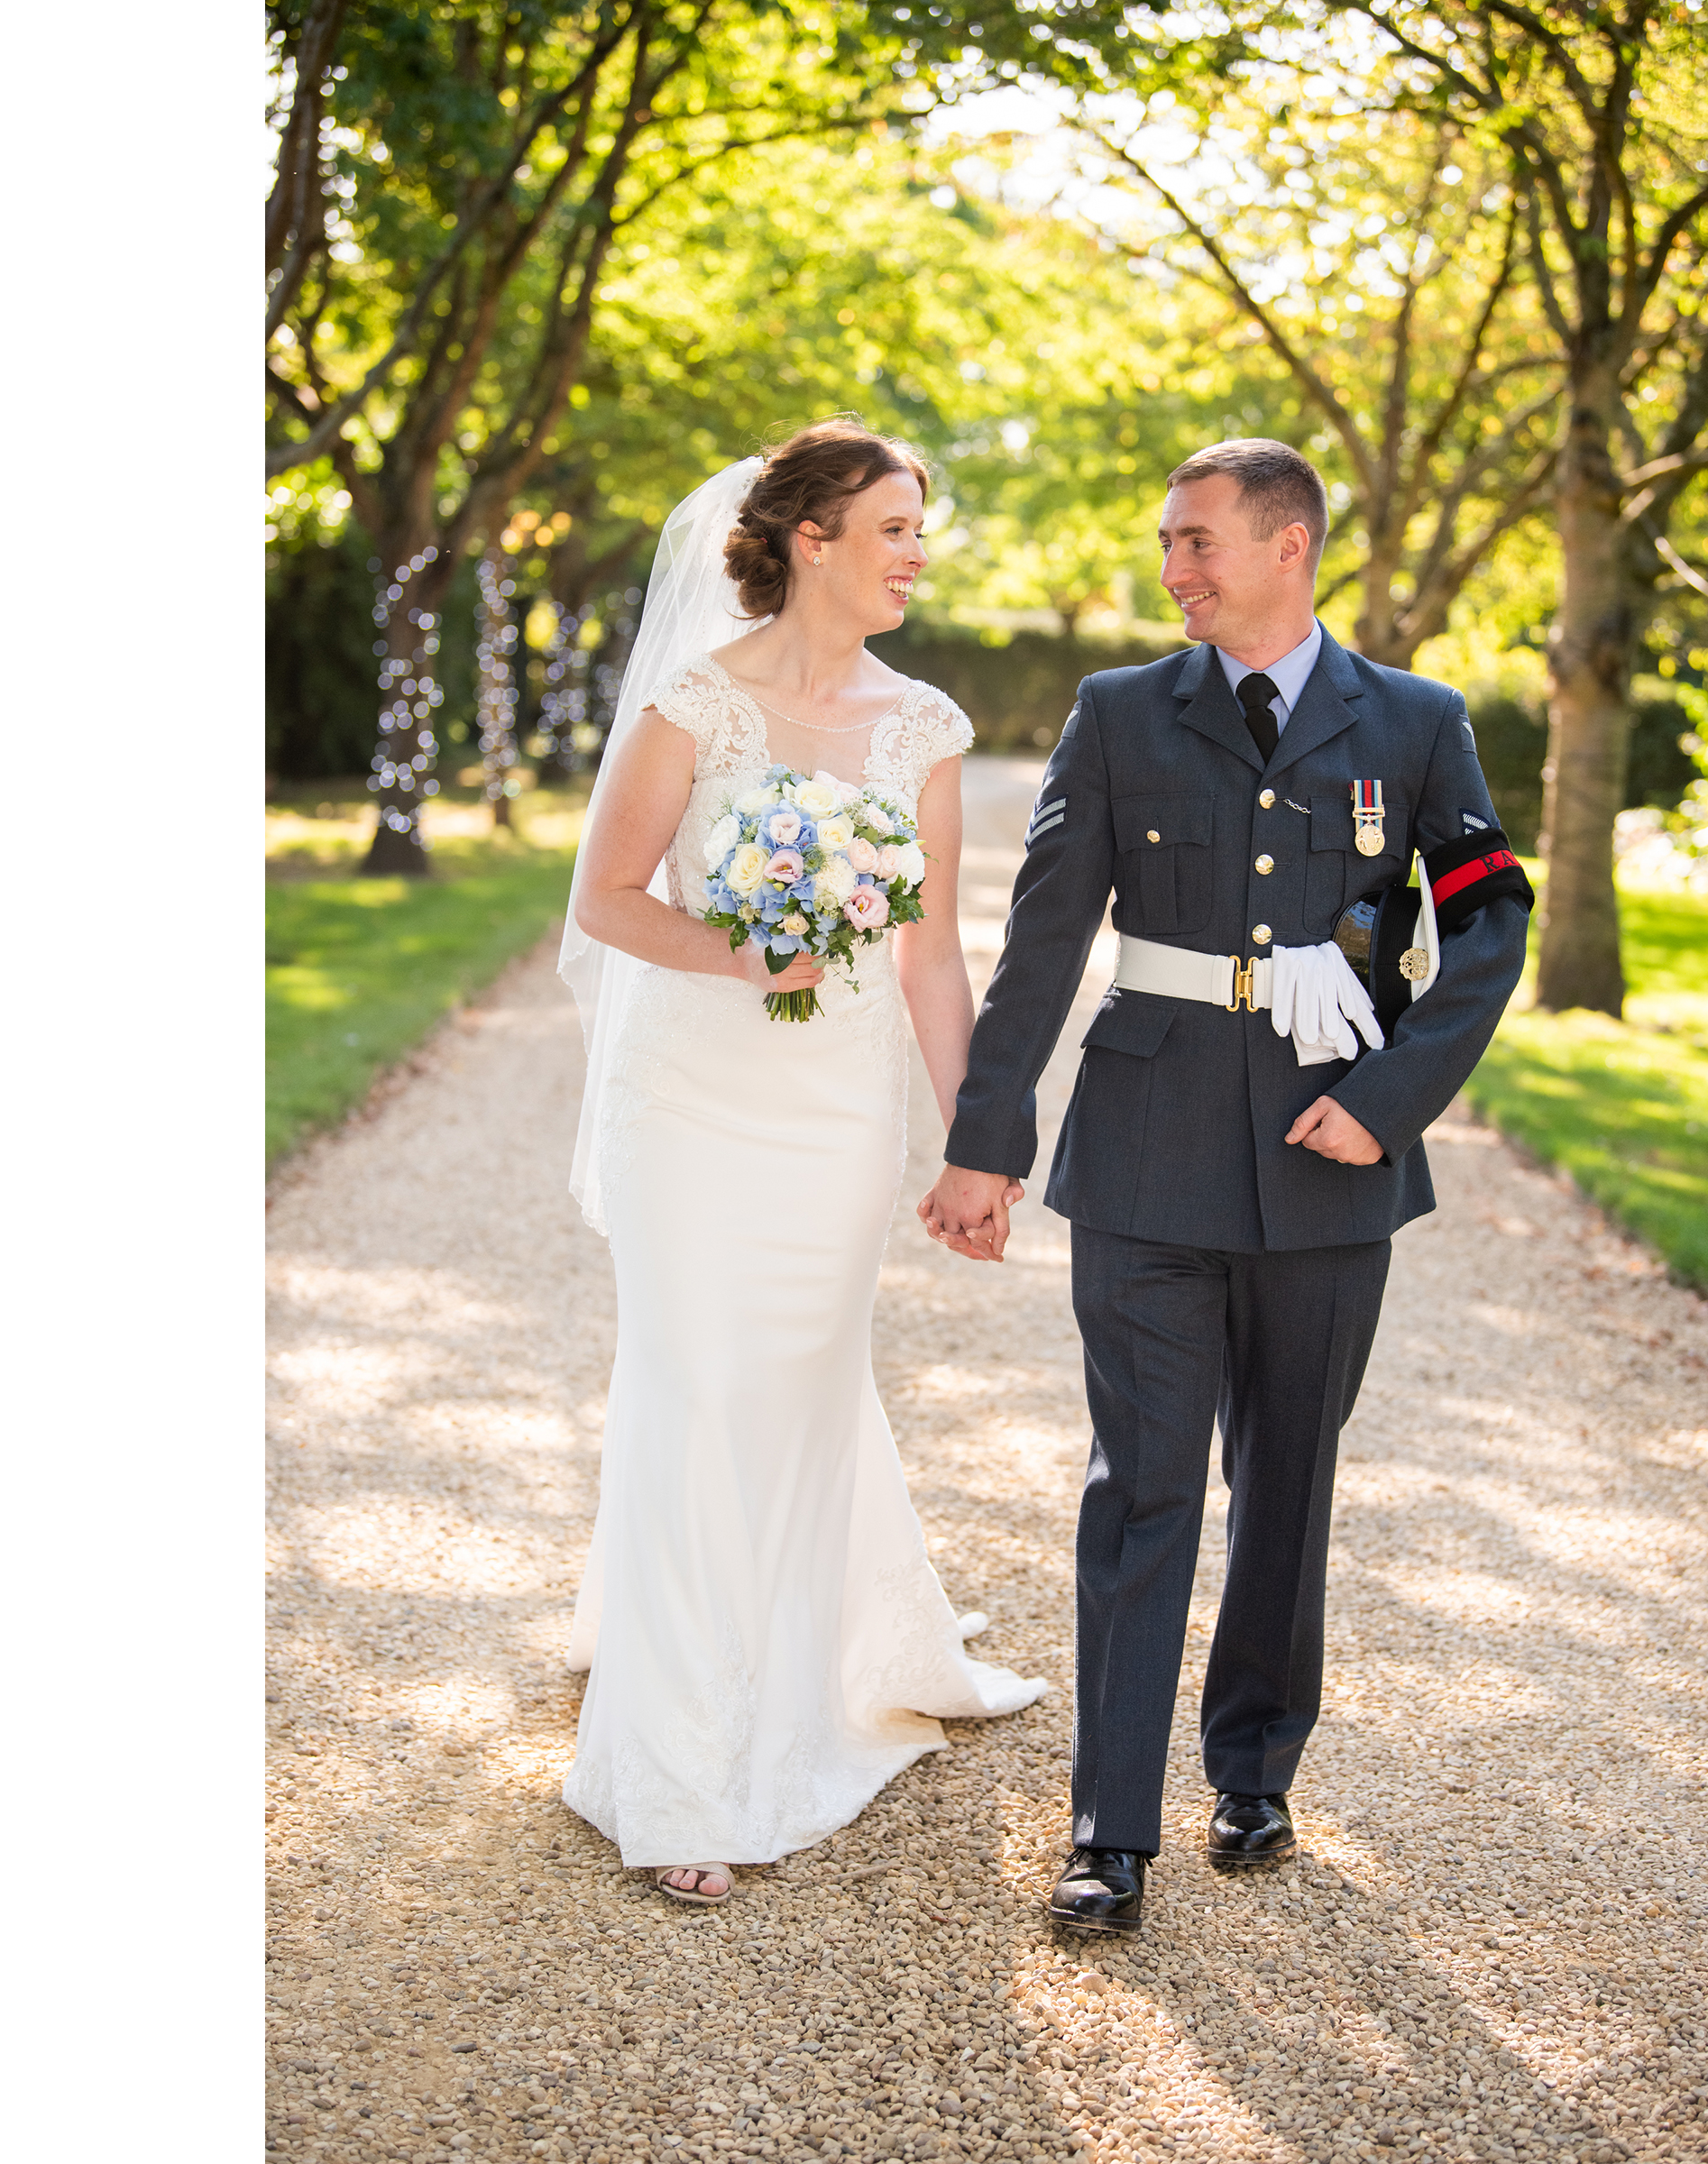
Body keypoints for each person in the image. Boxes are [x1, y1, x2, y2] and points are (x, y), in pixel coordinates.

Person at [921, 439, 1531, 1938]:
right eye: (1170, 542)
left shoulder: (1419, 722)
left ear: (1290, 546)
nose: (1175, 568)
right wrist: (986, 1137)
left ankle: (1254, 1768)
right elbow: (1047, 939)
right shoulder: (1122, 713)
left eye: (1198, 541)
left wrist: (1387, 1107)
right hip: (1145, 1155)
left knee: (1289, 1488)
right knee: (1142, 1488)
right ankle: (1108, 1826)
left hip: (1332, 1170)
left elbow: (1489, 923)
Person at [558, 419, 1046, 1906]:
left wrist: (981, 1144)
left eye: (921, 529)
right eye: (895, 526)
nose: (917, 552)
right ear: (812, 541)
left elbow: (935, 965)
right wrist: (747, 945)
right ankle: (684, 1766)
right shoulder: (695, 706)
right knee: (697, 1388)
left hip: (835, 1119)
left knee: (795, 1394)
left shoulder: (928, 731)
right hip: (692, 1105)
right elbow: (608, 899)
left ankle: (798, 1676)